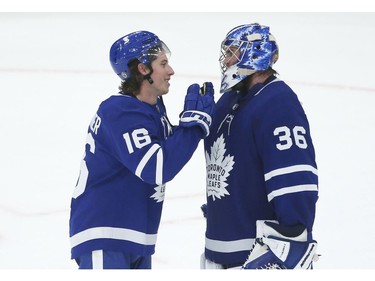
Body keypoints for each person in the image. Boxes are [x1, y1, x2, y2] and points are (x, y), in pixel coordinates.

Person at [69, 30, 215, 269]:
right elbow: (157, 168)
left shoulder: (151, 108)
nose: (171, 71)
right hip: (106, 234)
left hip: (132, 236)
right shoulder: (120, 111)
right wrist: (194, 127)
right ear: (143, 69)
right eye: (163, 64)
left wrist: (195, 124)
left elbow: (168, 151)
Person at [200, 23, 319, 269]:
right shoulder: (228, 101)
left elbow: (294, 182)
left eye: (233, 52)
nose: (226, 61)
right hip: (216, 255)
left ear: (253, 55)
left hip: (257, 258)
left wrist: (290, 244)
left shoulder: (277, 102)